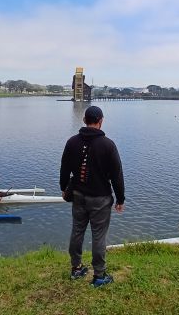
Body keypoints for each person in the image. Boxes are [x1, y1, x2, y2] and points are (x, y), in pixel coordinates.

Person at [60, 105, 125, 288]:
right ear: (101, 121)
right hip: (100, 199)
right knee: (98, 236)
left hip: (78, 195)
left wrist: (64, 187)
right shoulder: (108, 145)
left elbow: (64, 168)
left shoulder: (72, 142)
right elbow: (117, 175)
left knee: (77, 231)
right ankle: (99, 276)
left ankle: (76, 268)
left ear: (84, 120)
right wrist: (120, 199)